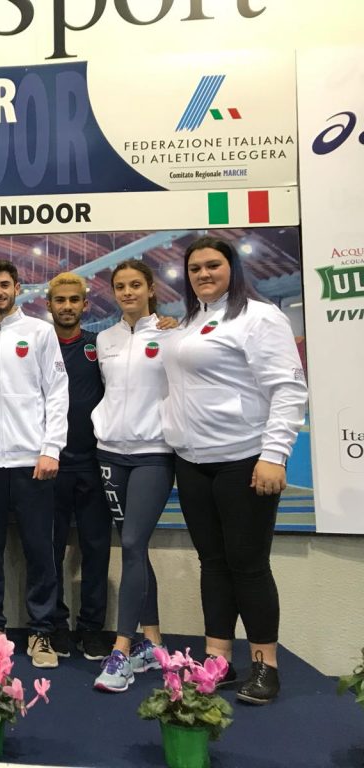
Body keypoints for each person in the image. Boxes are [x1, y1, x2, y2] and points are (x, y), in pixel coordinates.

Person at [162, 236, 307, 705]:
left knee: (249, 565)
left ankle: (265, 665)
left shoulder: (260, 317)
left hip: (244, 460)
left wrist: (275, 454)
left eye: (213, 265)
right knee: (213, 564)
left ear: (232, 269)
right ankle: (218, 662)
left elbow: (288, 388)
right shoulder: (188, 324)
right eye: (195, 268)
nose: (203, 274)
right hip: (193, 462)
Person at [0, 260, 69, 669]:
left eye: (4, 285)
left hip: (32, 461)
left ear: (17, 288)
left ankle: (41, 631)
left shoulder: (40, 332)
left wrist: (51, 448)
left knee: (40, 550)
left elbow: (57, 392)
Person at [91, 261, 175, 692]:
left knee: (130, 544)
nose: (127, 292)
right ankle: (153, 644)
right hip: (110, 453)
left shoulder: (171, 334)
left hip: (153, 454)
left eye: (135, 285)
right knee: (134, 547)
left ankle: (121, 651)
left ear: (150, 288)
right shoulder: (105, 338)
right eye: (120, 286)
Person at [45, 272, 115, 662]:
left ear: (85, 304)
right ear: (49, 305)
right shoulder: (40, 346)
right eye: (61, 300)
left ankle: (91, 628)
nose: (67, 306)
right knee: (50, 550)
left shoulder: (98, 345)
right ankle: (55, 624)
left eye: (74, 300)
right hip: (51, 464)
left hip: (93, 462)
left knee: (96, 549)